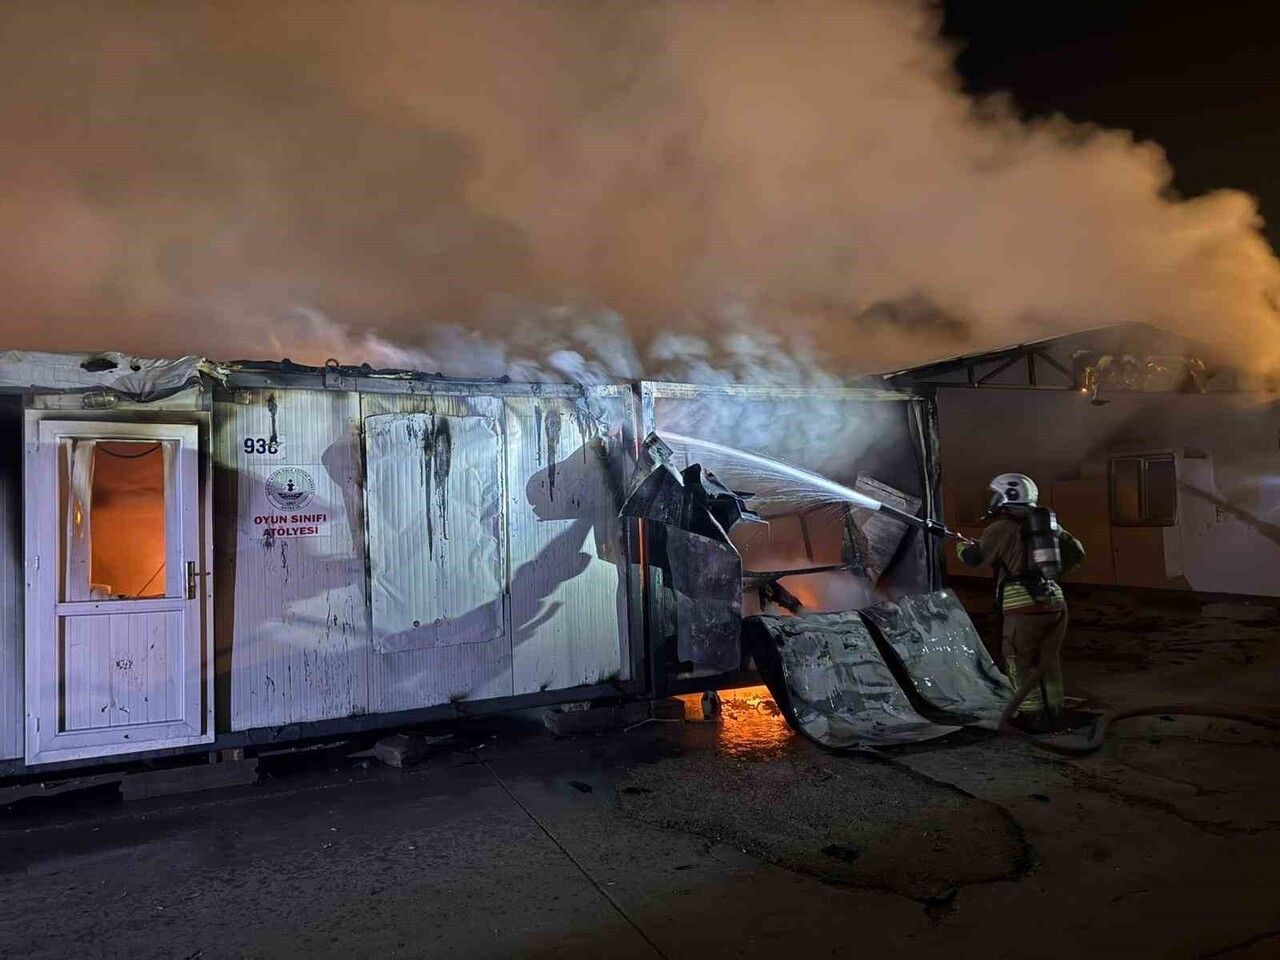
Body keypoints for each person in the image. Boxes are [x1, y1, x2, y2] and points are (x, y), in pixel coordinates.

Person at [956, 473, 1085, 732]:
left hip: (1023, 607)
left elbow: (975, 558)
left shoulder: (1000, 527)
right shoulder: (1048, 525)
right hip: (1055, 603)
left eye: (996, 494)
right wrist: (1051, 575)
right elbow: (1077, 552)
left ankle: (1032, 716)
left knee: (1019, 661)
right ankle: (1055, 715)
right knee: (1048, 661)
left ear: (1007, 496)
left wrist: (961, 546)